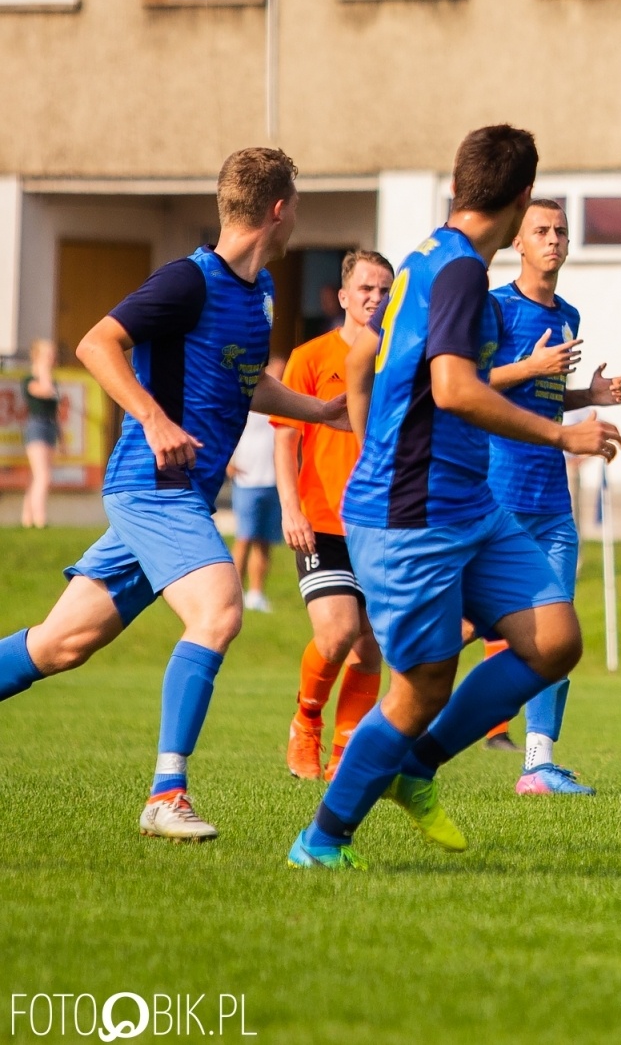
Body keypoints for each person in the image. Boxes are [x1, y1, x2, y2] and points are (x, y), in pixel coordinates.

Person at [286, 125, 621, 871]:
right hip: (412, 511)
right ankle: (322, 840)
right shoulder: (463, 271)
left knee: (555, 640)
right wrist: (563, 434)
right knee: (418, 690)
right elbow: (452, 387)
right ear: (523, 195)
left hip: (467, 500)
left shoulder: (432, 253)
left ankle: (414, 768)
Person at [0, 148, 349, 842]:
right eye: (298, 205)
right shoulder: (189, 280)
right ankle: (166, 792)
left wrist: (324, 412)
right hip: (154, 487)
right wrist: (155, 420)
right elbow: (97, 343)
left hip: (169, 495)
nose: (297, 217)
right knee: (219, 611)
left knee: (60, 645)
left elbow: (244, 382)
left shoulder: (259, 294)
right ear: (278, 211)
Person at [473, 198, 621, 794]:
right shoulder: (495, 308)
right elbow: (468, 386)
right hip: (497, 495)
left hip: (553, 503)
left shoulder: (568, 312)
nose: (554, 240)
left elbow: (541, 401)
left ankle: (537, 763)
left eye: (561, 231)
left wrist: (587, 394)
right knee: (457, 628)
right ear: (518, 242)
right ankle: (391, 727)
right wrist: (531, 365)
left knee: (558, 636)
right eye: (541, 230)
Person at [275, 250, 393, 781]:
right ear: (343, 296)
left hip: (381, 523)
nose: (375, 297)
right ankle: (305, 724)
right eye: (366, 288)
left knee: (371, 648)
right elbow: (285, 438)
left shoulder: (395, 360)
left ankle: (346, 754)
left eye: (384, 289)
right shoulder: (310, 356)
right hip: (321, 519)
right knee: (337, 632)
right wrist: (289, 507)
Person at [228, 360, 286, 613]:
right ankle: (234, 590)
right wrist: (228, 460)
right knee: (244, 538)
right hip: (247, 478)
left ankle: (256, 593)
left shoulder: (288, 403)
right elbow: (228, 430)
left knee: (264, 541)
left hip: (274, 479)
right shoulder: (245, 398)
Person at [21, 340, 59, 528]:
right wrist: (43, 370)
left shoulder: (52, 380)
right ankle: (40, 519)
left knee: (38, 477)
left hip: (51, 427)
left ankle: (27, 518)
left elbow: (55, 409)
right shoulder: (29, 380)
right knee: (43, 476)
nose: (52, 359)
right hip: (36, 427)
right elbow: (44, 391)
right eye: (48, 355)